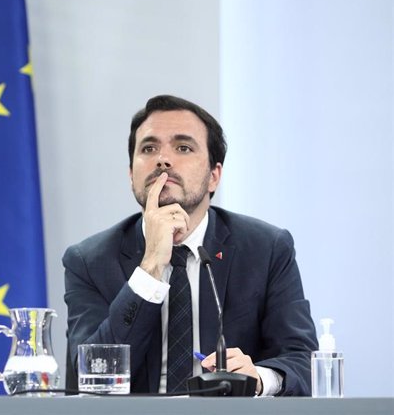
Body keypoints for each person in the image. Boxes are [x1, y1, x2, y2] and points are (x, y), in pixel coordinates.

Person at [63, 95, 318, 396]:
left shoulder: (266, 249)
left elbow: (302, 361)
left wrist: (259, 378)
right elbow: (90, 373)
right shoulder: (89, 260)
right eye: (149, 148)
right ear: (132, 175)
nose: (163, 160)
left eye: (183, 147)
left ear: (214, 176)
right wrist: (151, 267)